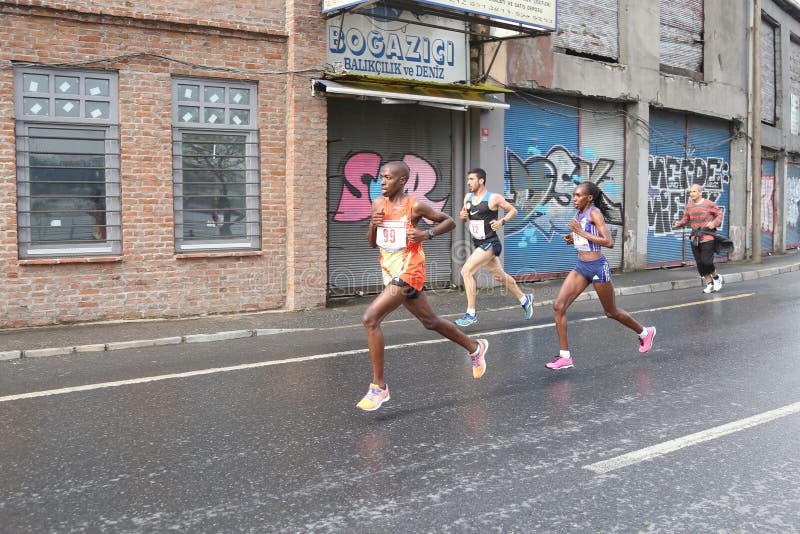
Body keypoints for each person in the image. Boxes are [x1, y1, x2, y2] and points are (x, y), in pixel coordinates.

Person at [357, 161, 490, 411]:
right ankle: (475, 347)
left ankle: (379, 387)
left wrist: (426, 235)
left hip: (411, 270)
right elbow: (372, 243)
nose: (382, 182)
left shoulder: (414, 205)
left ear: (402, 181)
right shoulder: (378, 204)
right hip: (390, 271)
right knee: (430, 322)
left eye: (387, 178)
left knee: (370, 319)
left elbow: (448, 221)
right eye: (381, 177)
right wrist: (373, 224)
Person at [546, 181, 656, 370]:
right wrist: (573, 238)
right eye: (574, 195)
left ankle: (645, 333)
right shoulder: (579, 212)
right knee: (559, 306)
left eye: (579, 196)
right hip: (581, 266)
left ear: (589, 198)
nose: (574, 199)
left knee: (610, 311)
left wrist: (580, 232)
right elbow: (587, 234)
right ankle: (565, 357)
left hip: (597, 267)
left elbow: (608, 242)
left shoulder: (594, 212)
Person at [455, 168, 534, 327]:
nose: (468, 182)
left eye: (471, 179)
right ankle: (525, 299)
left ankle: (471, 314)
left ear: (481, 180)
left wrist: (501, 222)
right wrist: (462, 217)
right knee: (499, 276)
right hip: (478, 242)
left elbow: (513, 210)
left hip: (490, 242)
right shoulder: (467, 198)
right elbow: (464, 217)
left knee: (466, 270)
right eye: (468, 179)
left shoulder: (493, 198)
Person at [673, 183, 725, 293]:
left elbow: (719, 214)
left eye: (694, 191)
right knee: (700, 263)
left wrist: (714, 223)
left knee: (707, 261)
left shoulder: (709, 204)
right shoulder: (689, 206)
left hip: (707, 236)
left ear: (700, 193)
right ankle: (709, 283)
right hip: (694, 238)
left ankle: (716, 278)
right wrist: (680, 223)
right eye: (690, 192)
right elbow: (686, 218)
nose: (691, 194)